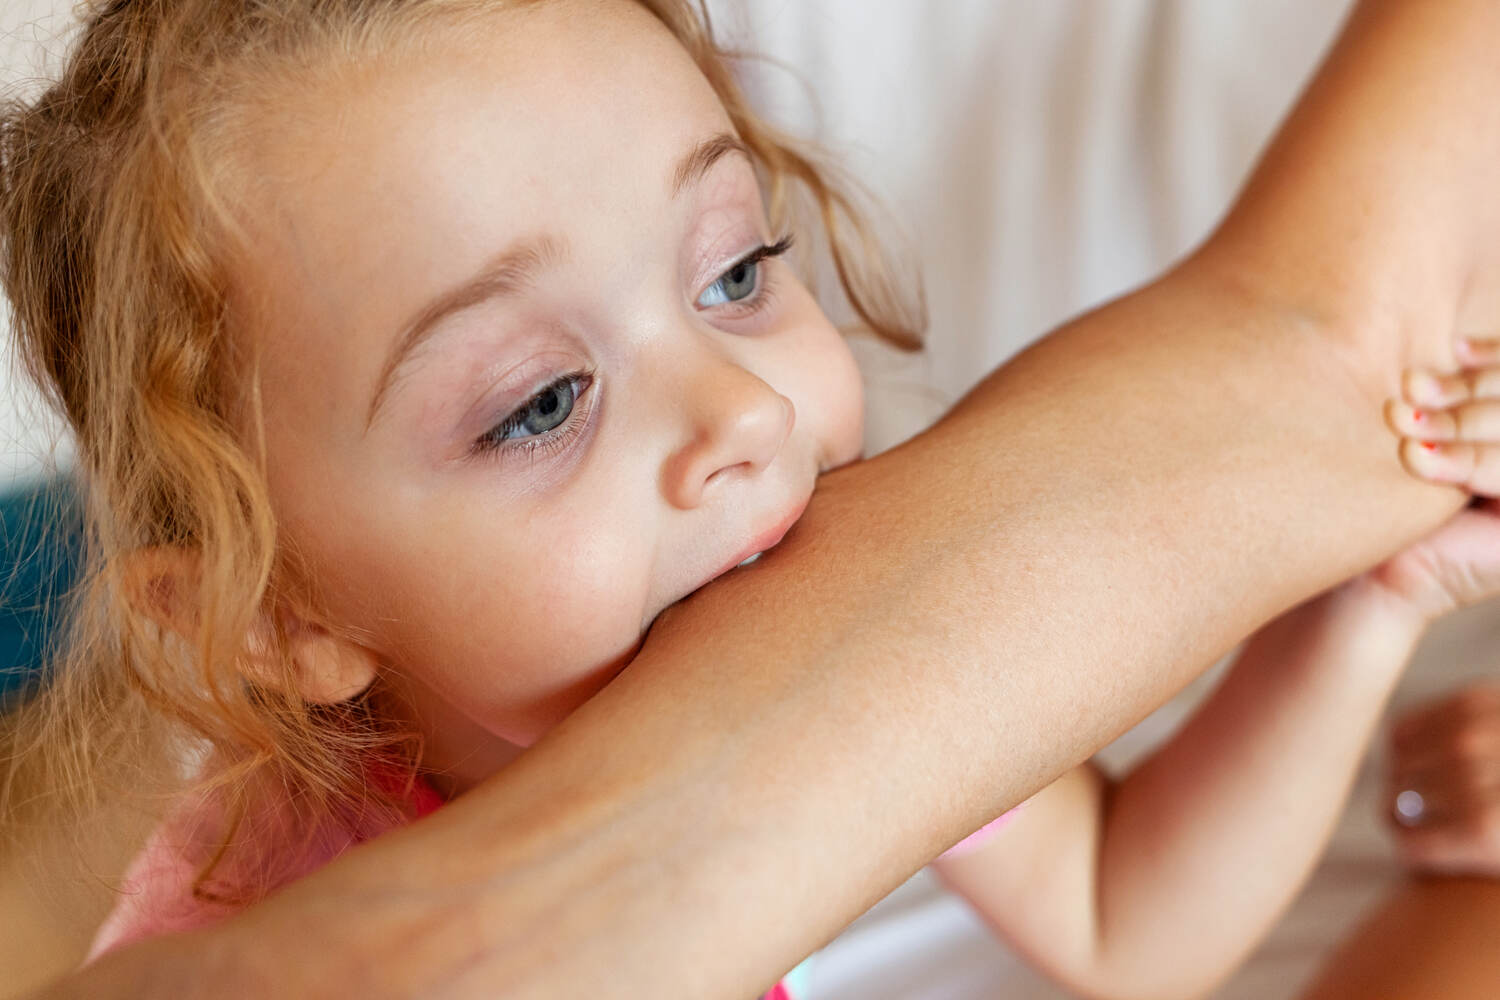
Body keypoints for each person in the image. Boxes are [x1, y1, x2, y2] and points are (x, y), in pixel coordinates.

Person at [6, 0, 1500, 998]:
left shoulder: (814, 608)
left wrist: (1363, 615)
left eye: (734, 274)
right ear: (277, 616)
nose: (742, 413)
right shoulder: (252, 934)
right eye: (541, 404)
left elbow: (1125, 916)